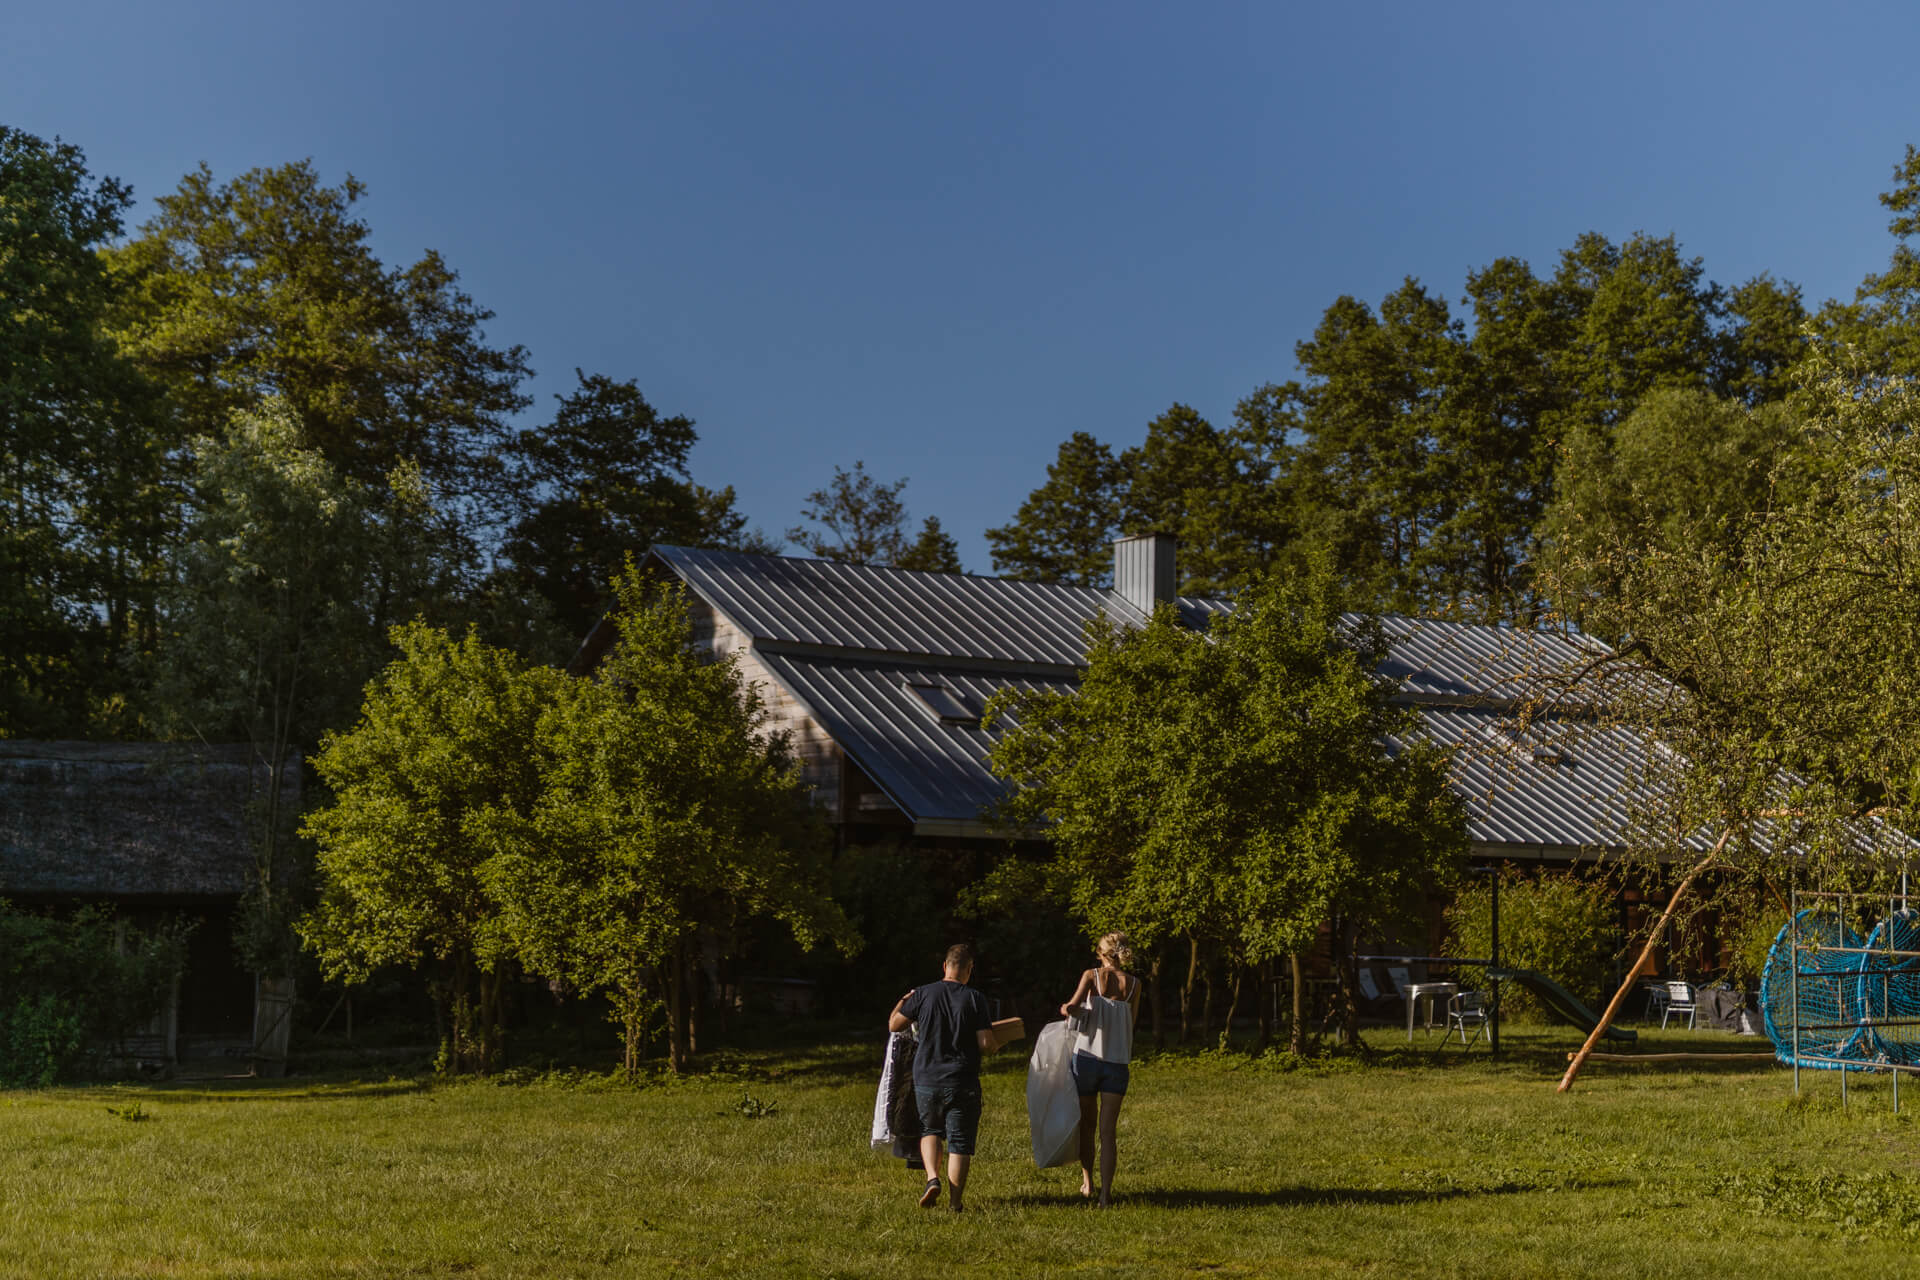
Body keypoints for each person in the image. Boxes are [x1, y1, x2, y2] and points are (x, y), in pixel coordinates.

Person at [888, 943, 1013, 1212]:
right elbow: (984, 1042)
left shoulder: (922, 994)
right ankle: (955, 1203)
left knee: (930, 1130)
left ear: (945, 966)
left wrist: (903, 1000)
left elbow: (894, 1025)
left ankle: (932, 1178)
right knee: (960, 1141)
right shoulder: (974, 998)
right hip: (962, 1079)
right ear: (969, 969)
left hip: (927, 1078)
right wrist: (996, 1044)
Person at [1059, 932, 1139, 1207]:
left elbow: (1072, 1006)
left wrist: (1068, 1009)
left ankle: (1088, 1182)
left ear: (1102, 953)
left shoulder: (1091, 975)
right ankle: (1106, 1194)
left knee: (1087, 1127)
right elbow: (1132, 1022)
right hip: (1117, 1063)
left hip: (1088, 1059)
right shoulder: (1134, 985)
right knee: (1108, 1131)